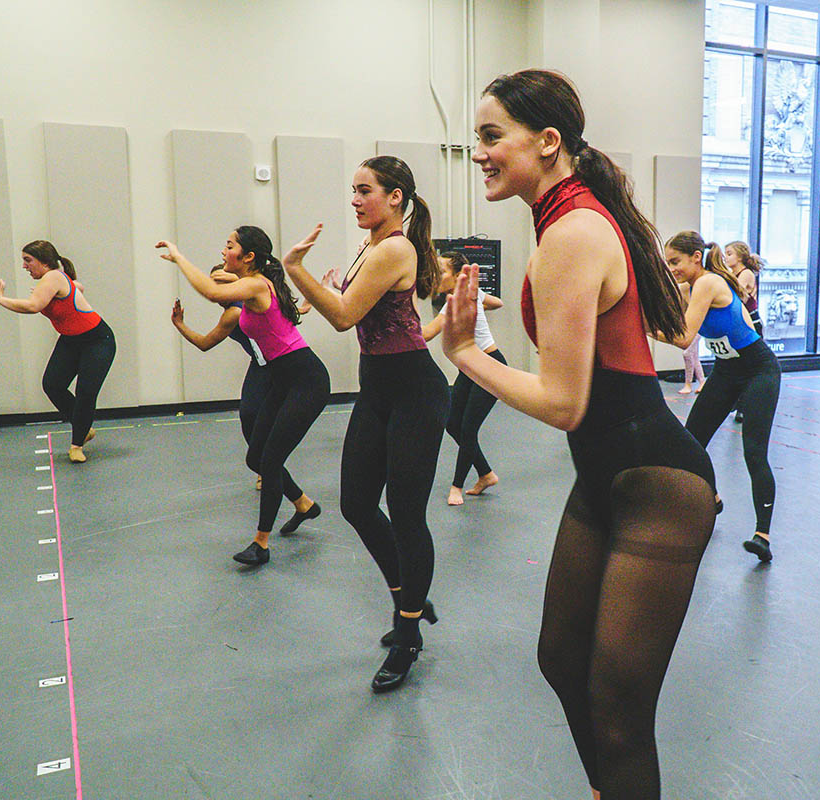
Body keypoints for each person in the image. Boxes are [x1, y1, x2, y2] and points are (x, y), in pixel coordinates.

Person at [446, 68, 716, 800]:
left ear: (549, 142)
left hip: (660, 485)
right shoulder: (569, 221)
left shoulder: (572, 230)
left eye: (491, 135)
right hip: (606, 478)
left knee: (622, 713)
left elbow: (564, 403)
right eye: (479, 137)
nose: (479, 151)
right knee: (563, 659)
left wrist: (468, 354)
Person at [282, 156, 449, 694]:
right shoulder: (370, 246)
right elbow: (348, 304)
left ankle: (406, 636)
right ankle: (411, 601)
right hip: (378, 389)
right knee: (356, 502)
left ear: (395, 196)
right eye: (352, 190)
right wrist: (326, 286)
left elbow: (345, 315)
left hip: (416, 395)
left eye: (364, 191)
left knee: (405, 514)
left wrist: (296, 269)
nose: (354, 200)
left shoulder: (396, 246)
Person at [157, 227, 329, 566]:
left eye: (230, 245)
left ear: (248, 256)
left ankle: (261, 544)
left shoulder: (256, 284)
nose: (224, 250)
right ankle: (305, 505)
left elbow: (209, 290)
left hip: (306, 379)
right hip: (282, 379)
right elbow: (217, 282)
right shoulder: (253, 285)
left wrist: (178, 256)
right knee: (257, 459)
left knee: (270, 460)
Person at [660, 232, 781, 563]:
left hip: (759, 370)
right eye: (667, 263)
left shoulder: (708, 283)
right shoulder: (688, 287)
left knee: (754, 453)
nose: (671, 269)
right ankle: (711, 497)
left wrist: (640, 328)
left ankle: (763, 536)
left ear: (696, 258)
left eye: (675, 262)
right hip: (727, 372)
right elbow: (663, 310)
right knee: (691, 443)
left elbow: (684, 338)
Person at [0, 240, 115, 463]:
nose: (24, 266)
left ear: (44, 261)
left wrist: (1, 299)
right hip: (70, 341)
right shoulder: (54, 279)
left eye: (28, 261)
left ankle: (76, 445)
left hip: (97, 341)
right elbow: (77, 287)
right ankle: (83, 427)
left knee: (86, 391)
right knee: (52, 385)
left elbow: (32, 307)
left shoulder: (53, 277)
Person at [420, 251, 508, 506]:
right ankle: (486, 474)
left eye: (442, 271)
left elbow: (426, 334)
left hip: (490, 365)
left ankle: (456, 486)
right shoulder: (469, 294)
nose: (436, 276)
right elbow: (499, 302)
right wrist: (482, 302)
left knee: (468, 429)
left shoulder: (451, 305)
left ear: (459, 276)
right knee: (452, 424)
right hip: (469, 369)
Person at [171, 266, 271, 487]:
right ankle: (265, 465)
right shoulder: (233, 310)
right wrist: (180, 325)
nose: (215, 294)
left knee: (261, 417)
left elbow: (205, 343)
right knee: (249, 415)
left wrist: (180, 324)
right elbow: (206, 343)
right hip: (260, 364)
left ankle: (268, 466)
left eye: (221, 287)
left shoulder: (237, 310)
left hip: (276, 363)